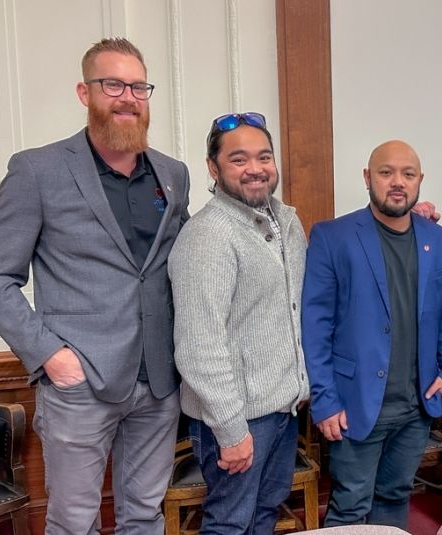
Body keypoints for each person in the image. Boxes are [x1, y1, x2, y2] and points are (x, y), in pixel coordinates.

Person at [0, 37, 190, 532]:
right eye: (112, 84)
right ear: (84, 92)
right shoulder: (38, 170)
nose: (127, 97)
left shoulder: (172, 176)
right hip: (80, 382)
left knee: (145, 515)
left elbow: (187, 261)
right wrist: (50, 355)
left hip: (158, 381)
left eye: (138, 86)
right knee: (74, 521)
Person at [301, 140, 442, 528]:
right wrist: (324, 400)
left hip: (415, 406)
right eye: (386, 172)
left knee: (395, 497)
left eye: (407, 174)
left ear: (419, 181)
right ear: (367, 177)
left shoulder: (437, 239)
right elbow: (315, 324)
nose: (397, 182)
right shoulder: (332, 236)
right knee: (350, 506)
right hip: (355, 405)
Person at [168, 112, 309, 533]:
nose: (256, 169)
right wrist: (230, 430)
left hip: (282, 409)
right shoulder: (209, 236)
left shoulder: (285, 222)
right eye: (239, 160)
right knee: (230, 523)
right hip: (236, 419)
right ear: (213, 168)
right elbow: (198, 345)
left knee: (265, 514)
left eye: (264, 157)